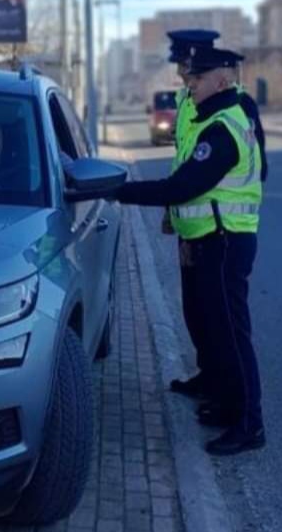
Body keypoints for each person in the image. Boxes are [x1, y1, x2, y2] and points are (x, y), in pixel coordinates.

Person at [110, 46, 265, 456]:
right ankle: (229, 405)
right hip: (209, 236)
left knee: (232, 334)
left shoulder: (223, 129)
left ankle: (250, 424)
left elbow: (181, 186)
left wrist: (116, 190)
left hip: (225, 240)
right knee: (215, 330)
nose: (188, 84)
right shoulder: (214, 118)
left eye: (197, 78)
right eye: (190, 77)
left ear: (223, 78)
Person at [162, 29, 219, 403]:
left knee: (217, 319)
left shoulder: (236, 105)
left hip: (217, 228)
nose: (182, 75)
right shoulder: (186, 101)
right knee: (195, 312)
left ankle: (221, 387)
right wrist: (173, 215)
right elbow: (181, 160)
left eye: (187, 67)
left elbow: (252, 169)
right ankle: (206, 375)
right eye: (181, 68)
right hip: (189, 224)